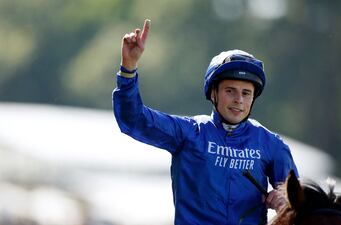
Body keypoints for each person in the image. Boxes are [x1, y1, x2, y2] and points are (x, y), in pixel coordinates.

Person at [112, 19, 298, 225]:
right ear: (213, 93)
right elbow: (133, 120)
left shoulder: (272, 145)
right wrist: (128, 68)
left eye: (246, 93)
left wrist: (286, 203)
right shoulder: (189, 133)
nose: (239, 100)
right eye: (230, 91)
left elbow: (299, 203)